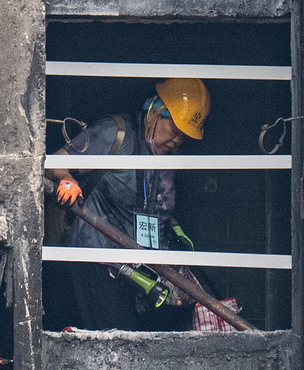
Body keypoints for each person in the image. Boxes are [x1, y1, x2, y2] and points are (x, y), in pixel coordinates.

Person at [45, 77, 210, 331]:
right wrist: (67, 179)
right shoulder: (115, 132)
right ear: (156, 111)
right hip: (101, 263)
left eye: (184, 136)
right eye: (175, 130)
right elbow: (55, 161)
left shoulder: (166, 154)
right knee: (114, 335)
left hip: (145, 265)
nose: (177, 141)